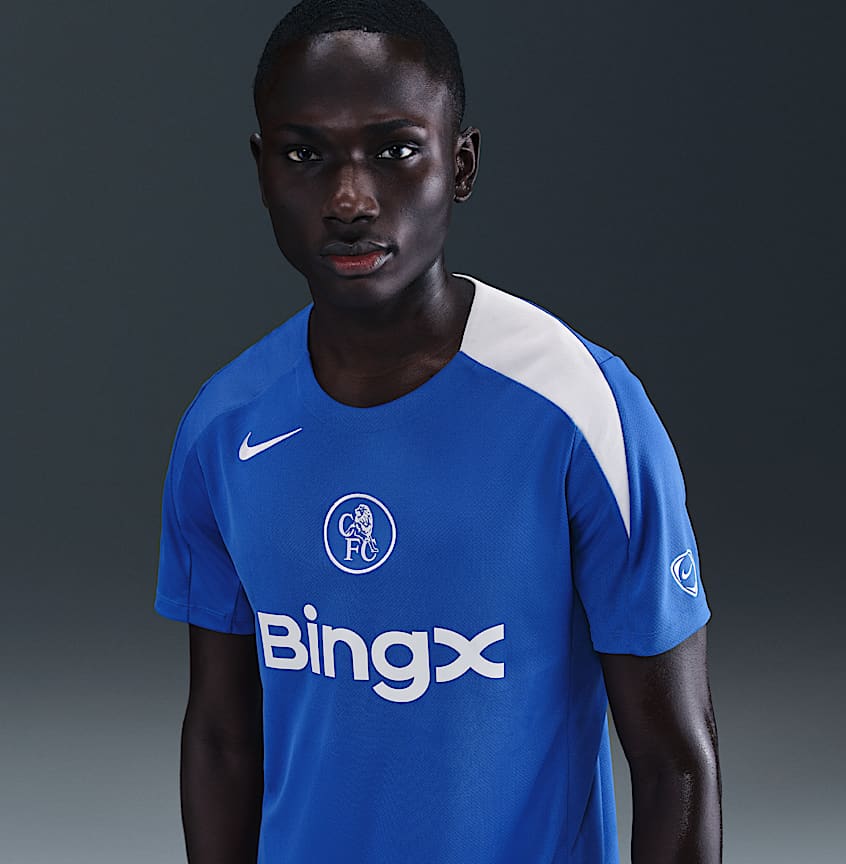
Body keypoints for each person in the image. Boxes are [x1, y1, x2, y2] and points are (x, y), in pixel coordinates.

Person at [153, 1, 722, 861]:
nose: (350, 198)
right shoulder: (223, 429)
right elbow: (223, 740)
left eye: (394, 150)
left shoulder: (581, 409)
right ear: (263, 170)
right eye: (306, 154)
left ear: (461, 164)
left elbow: (675, 761)